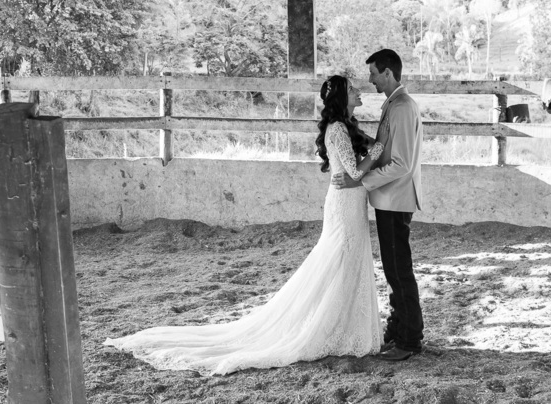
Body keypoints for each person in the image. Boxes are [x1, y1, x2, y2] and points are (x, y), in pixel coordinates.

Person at [104, 75, 384, 375]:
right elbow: (355, 172)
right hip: (344, 203)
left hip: (351, 202)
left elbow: (367, 152)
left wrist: (377, 143)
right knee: (339, 260)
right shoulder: (338, 129)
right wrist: (378, 150)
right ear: (342, 97)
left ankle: (345, 325)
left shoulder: (347, 127)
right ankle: (331, 327)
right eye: (352, 89)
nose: (358, 91)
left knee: (346, 261)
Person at [332, 48, 424, 362]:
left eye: (373, 73)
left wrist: (361, 181)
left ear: (387, 72)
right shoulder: (394, 105)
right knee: (393, 270)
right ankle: (397, 331)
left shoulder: (401, 107)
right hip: (390, 198)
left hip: (395, 199)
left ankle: (409, 340)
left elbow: (402, 164)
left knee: (399, 271)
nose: (370, 80)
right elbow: (386, 150)